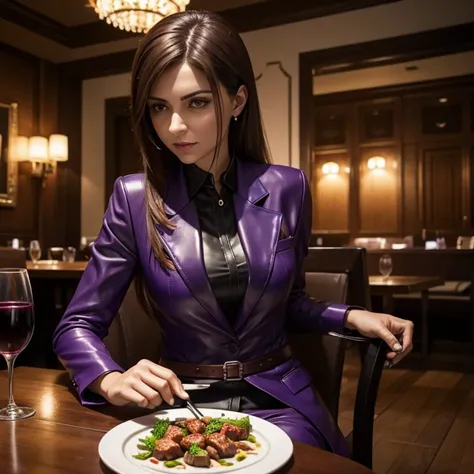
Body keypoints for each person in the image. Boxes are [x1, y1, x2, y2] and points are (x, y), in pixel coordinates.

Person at [52, 10, 414, 456]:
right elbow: (76, 326)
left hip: (278, 397)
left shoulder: (288, 187)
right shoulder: (133, 197)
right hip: (181, 404)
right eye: (159, 107)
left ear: (237, 101)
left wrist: (350, 316)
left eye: (197, 103)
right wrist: (111, 377)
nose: (174, 127)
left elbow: (290, 302)